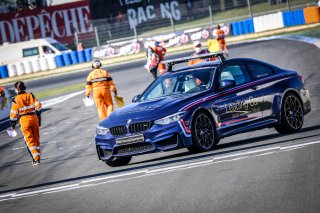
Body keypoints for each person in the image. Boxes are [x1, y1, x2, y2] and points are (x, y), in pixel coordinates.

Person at [10, 81, 42, 165]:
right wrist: (38, 115)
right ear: (24, 87)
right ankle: (37, 157)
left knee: (29, 140)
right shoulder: (30, 95)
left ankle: (36, 159)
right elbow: (38, 106)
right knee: (36, 138)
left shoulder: (15, 100)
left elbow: (13, 115)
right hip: (34, 118)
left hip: (24, 120)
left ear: (16, 89)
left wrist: (13, 126)